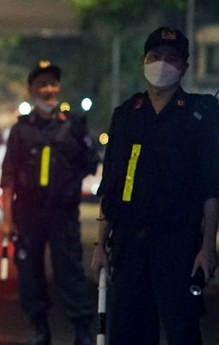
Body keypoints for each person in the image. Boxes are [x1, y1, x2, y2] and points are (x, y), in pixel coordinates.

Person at [91, 26, 219, 344]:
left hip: (178, 245)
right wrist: (100, 246)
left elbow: (211, 187)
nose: (163, 64)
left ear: (185, 67)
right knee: (128, 333)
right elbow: (111, 184)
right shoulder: (126, 115)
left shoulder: (199, 115)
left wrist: (207, 248)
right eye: (156, 56)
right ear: (143, 60)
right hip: (129, 245)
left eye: (172, 59)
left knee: (182, 330)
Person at [0, 61, 99, 345]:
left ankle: (82, 330)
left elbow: (90, 163)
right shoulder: (21, 131)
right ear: (31, 90)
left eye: (53, 84)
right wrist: (7, 221)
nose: (48, 90)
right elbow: (8, 178)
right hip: (29, 212)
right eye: (42, 85)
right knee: (30, 273)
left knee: (69, 271)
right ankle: (39, 330)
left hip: (62, 212)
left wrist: (70, 182)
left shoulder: (74, 128)